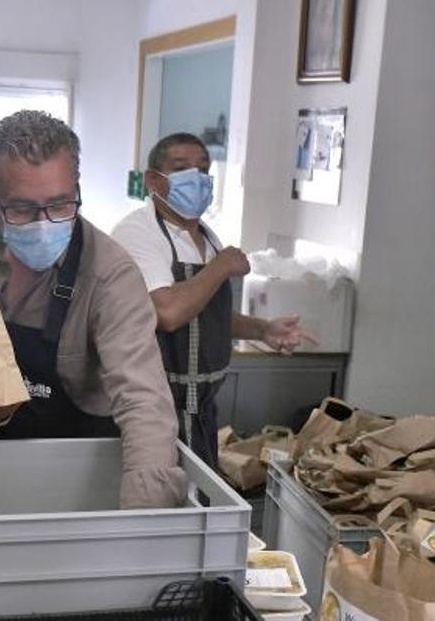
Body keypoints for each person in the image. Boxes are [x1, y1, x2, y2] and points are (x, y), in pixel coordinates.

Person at [0, 110, 187, 509]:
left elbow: (144, 403)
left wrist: (142, 533)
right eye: (21, 209)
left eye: (61, 204)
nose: (43, 224)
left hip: (76, 478)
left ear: (77, 187)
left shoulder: (110, 275)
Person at [111, 133, 315, 468]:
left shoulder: (206, 236)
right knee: (159, 505)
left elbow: (205, 312)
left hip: (200, 411)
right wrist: (221, 267)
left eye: (203, 170)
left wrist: (263, 330)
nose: (196, 179)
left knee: (200, 508)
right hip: (153, 410)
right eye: (181, 168)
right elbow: (169, 312)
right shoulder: (137, 233)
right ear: (153, 180)